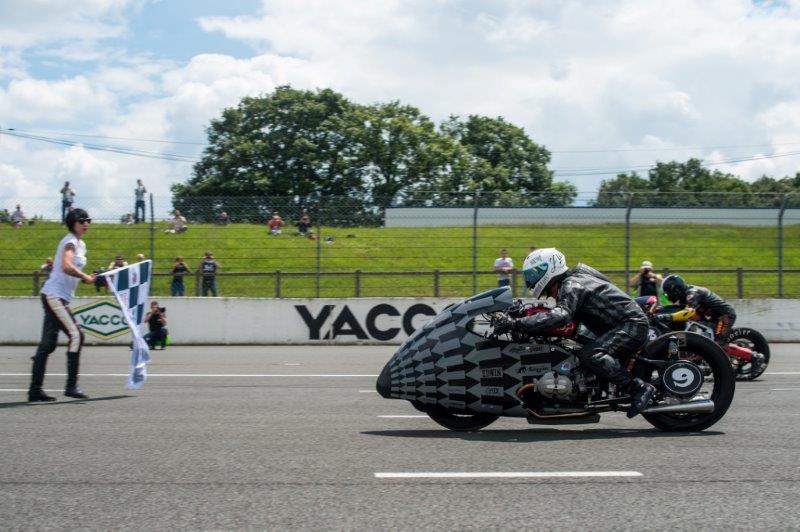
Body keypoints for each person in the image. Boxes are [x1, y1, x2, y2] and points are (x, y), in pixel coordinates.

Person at [493, 248, 656, 418]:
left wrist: (516, 324)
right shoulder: (571, 281)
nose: (531, 279)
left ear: (551, 267)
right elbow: (555, 313)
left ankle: (639, 387)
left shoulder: (571, 284)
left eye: (535, 273)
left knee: (591, 354)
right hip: (616, 326)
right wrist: (521, 314)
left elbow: (561, 315)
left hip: (631, 324)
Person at [28, 208, 96, 401]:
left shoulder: (80, 244)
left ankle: (34, 390)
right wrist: (84, 276)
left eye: (88, 220)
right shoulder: (70, 242)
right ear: (72, 223)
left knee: (47, 345)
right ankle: (71, 386)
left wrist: (88, 278)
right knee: (77, 335)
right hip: (54, 296)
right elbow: (66, 266)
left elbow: (71, 268)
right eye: (82, 220)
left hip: (56, 296)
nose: (86, 223)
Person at [657, 274, 737, 346]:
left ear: (676, 290)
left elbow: (688, 313)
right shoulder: (684, 297)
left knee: (716, 345)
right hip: (713, 318)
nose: (667, 296)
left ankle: (747, 355)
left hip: (724, 316)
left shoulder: (692, 294)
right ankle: (685, 349)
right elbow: (682, 312)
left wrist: (667, 317)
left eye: (667, 293)